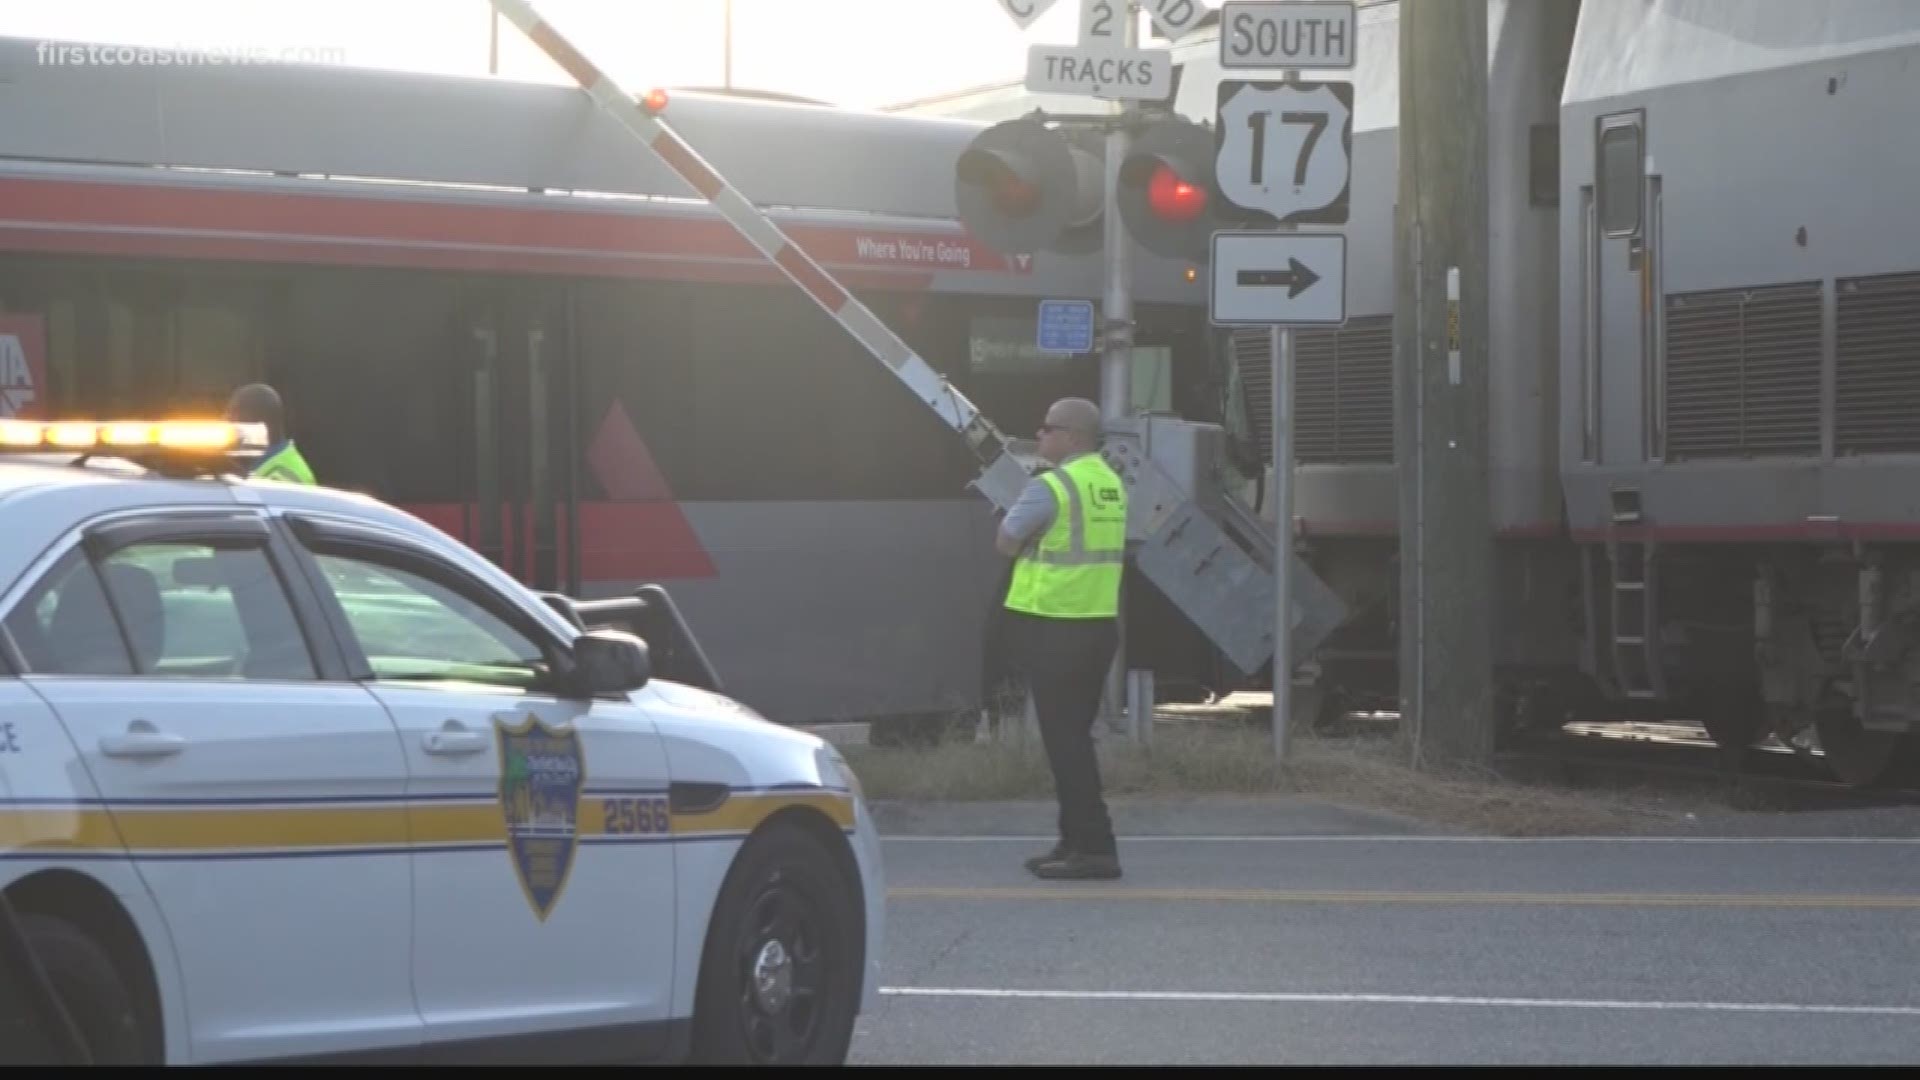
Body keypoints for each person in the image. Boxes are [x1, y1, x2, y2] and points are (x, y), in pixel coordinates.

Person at [995, 396, 1127, 880]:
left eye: (1047, 429)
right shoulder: (1109, 484)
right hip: (1096, 627)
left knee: (1065, 743)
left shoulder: (1052, 486)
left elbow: (1005, 541)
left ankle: (1094, 848)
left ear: (1072, 437)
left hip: (1056, 627)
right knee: (1073, 738)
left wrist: (1029, 542)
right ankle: (1075, 841)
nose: (1040, 435)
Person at [224, 383, 315, 484]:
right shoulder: (259, 460)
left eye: (233, 413)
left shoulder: (283, 475)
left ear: (256, 419)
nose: (227, 419)